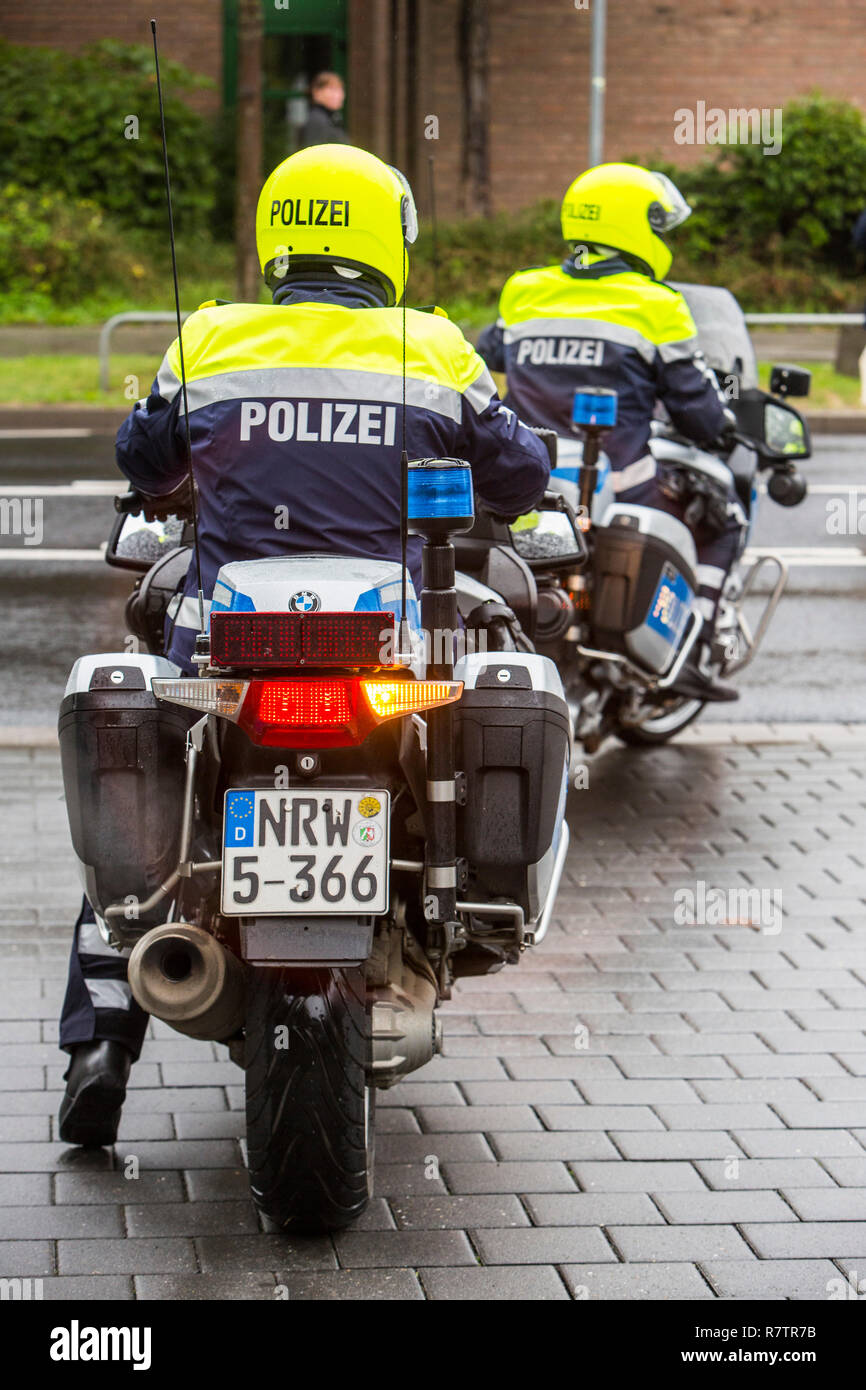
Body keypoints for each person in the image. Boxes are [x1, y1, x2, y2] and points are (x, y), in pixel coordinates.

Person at [58, 143, 551, 1146]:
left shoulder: (212, 337)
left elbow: (144, 461)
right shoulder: (432, 346)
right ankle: (445, 898)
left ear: (275, 234)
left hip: (225, 650)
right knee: (463, 708)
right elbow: (519, 479)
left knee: (146, 776)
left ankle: (100, 1043)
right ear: (385, 241)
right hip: (390, 648)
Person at [478, 162, 744, 702]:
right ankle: (700, 637)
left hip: (525, 484)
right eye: (657, 224)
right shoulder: (656, 305)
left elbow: (486, 356)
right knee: (724, 520)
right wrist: (725, 427)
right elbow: (696, 407)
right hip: (617, 485)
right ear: (633, 227)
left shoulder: (524, 290)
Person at [298, 71, 348, 148]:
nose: (338, 95)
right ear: (316, 92)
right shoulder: (317, 120)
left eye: (340, 89)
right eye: (332, 89)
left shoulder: (332, 118)